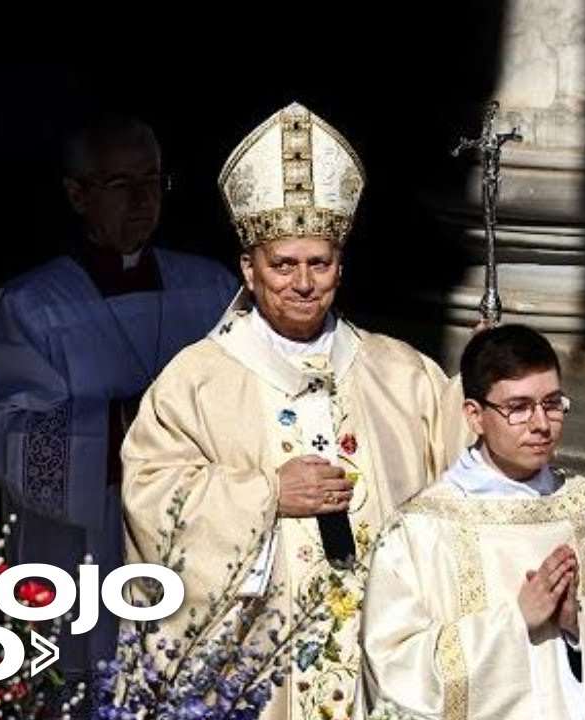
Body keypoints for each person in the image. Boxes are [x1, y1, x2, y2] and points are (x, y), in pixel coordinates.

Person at [119, 102, 470, 720]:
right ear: (249, 269)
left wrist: (486, 391)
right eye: (282, 265)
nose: (303, 283)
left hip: (381, 653)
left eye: (319, 263)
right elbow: (152, 495)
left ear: (341, 265)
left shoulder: (403, 374)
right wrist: (266, 495)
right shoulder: (195, 380)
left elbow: (465, 478)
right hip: (262, 662)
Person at [0, 112, 239, 675]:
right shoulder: (33, 304)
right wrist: (123, 423)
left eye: (152, 180)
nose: (143, 198)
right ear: (77, 195)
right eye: (120, 183)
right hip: (89, 543)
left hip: (195, 531)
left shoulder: (211, 288)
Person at [361, 324, 585, 720]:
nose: (541, 424)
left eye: (552, 404)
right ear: (475, 416)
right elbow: (393, 670)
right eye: (518, 408)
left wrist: (581, 623)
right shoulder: (419, 531)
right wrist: (515, 623)